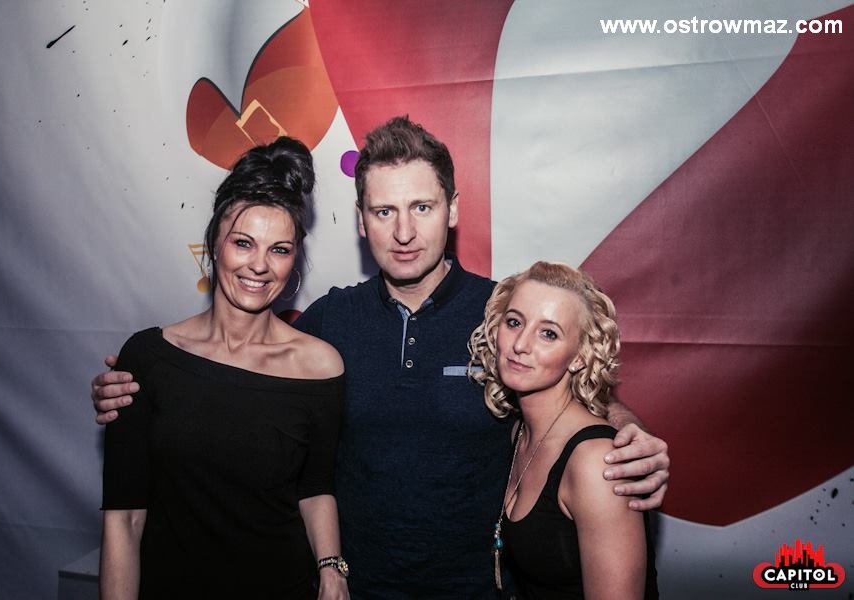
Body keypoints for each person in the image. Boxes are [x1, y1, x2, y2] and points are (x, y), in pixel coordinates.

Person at [92, 117, 670, 599]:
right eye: (384, 211)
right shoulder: (328, 322)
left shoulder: (504, 317)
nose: (404, 232)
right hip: (352, 589)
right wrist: (139, 382)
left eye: (422, 207)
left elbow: (577, 401)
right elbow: (241, 370)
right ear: (361, 219)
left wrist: (627, 435)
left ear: (452, 210)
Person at [98, 137, 349, 600]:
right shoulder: (147, 359)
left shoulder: (319, 367)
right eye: (243, 243)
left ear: (295, 259)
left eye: (279, 249)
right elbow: (124, 519)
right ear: (215, 242)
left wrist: (332, 571)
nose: (259, 265)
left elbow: (315, 488)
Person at [469, 261, 658, 599]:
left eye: (549, 333)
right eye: (514, 322)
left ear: (579, 357)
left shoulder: (597, 462)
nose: (521, 344)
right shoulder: (519, 432)